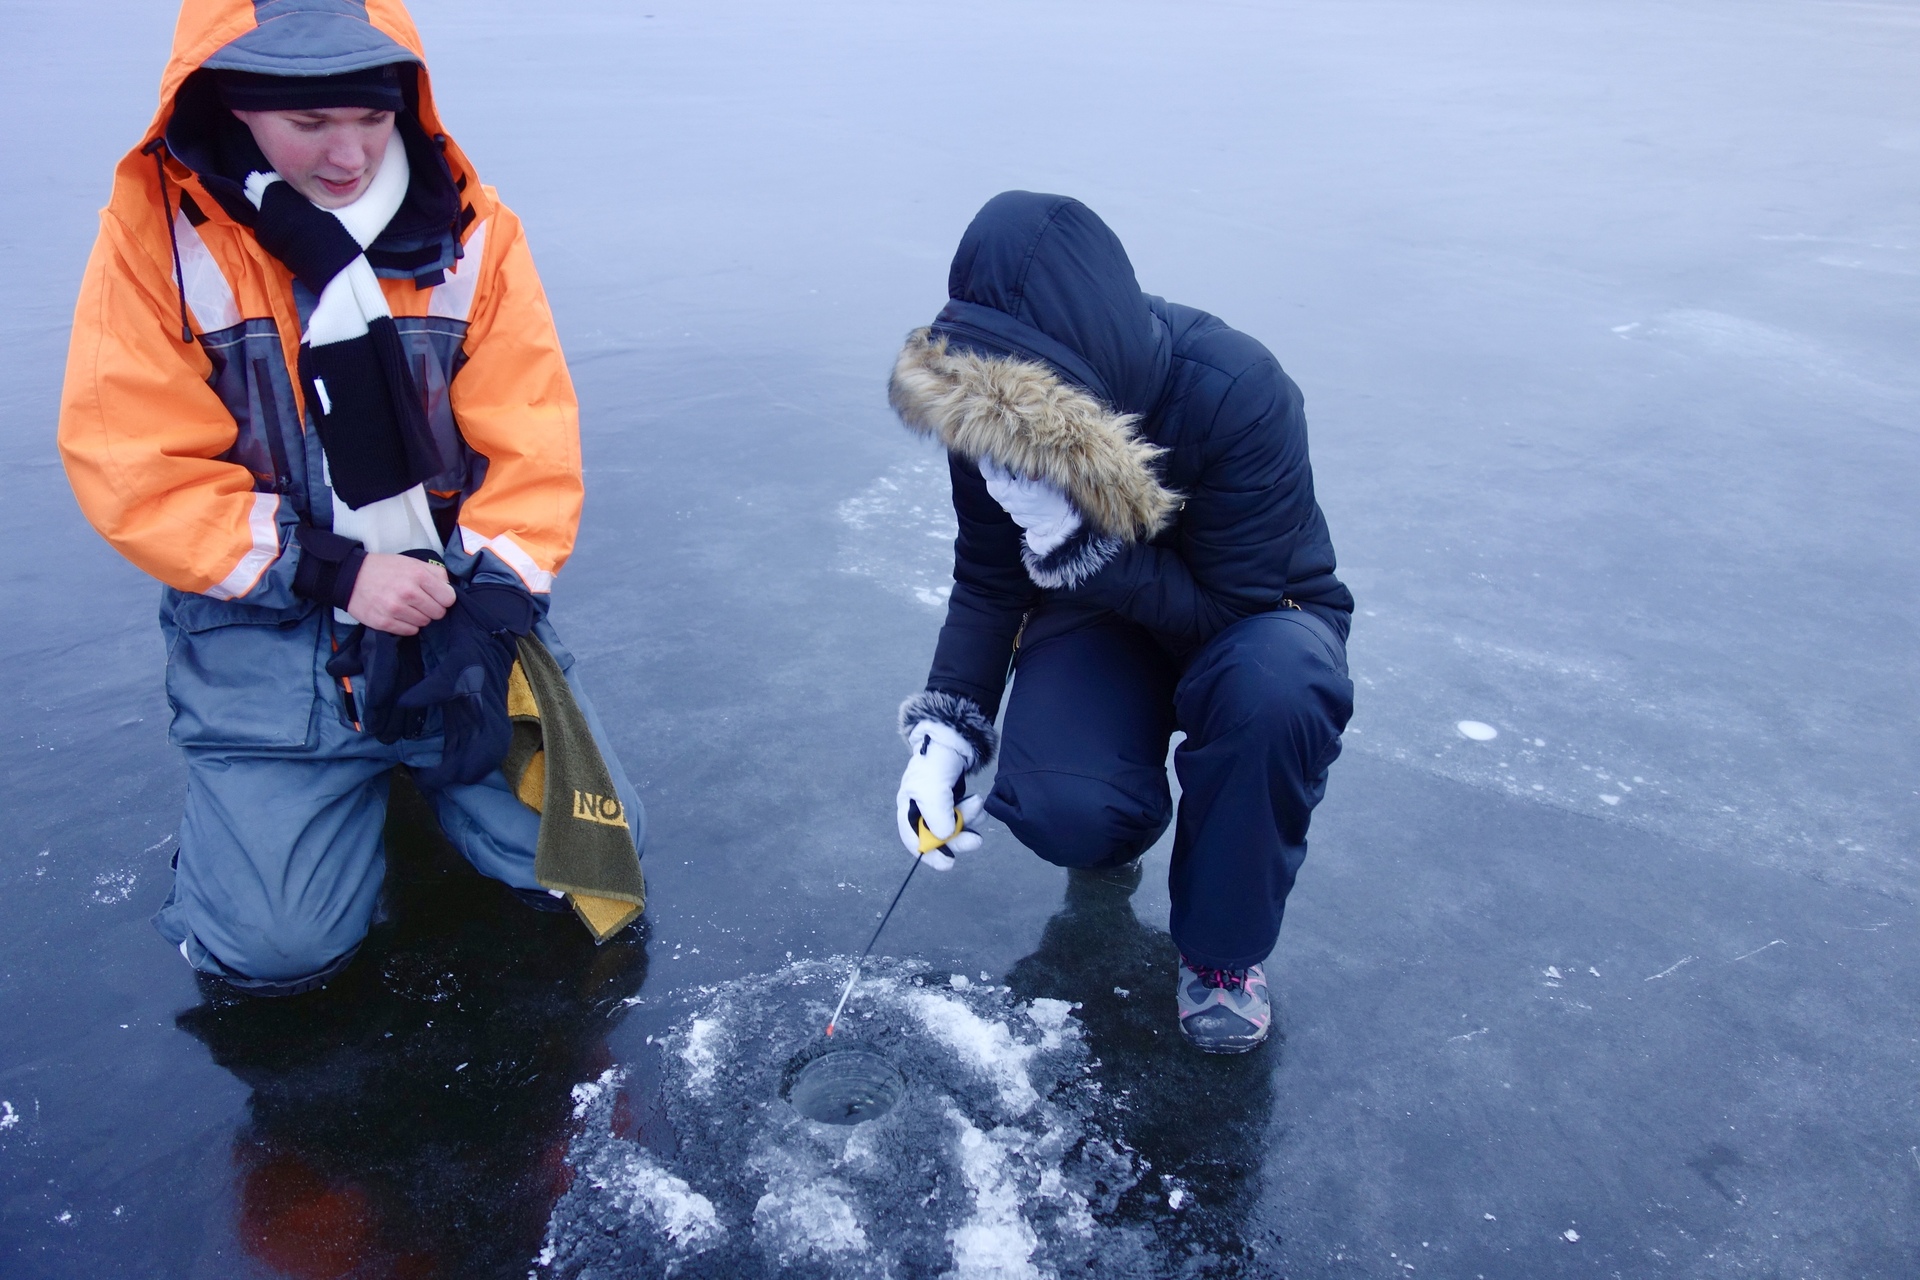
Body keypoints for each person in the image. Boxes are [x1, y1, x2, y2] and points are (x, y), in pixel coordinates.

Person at [58, 0, 644, 996]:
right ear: (236, 108)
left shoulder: (473, 231)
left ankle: (415, 766)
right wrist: (331, 572)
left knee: (592, 878)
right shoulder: (155, 241)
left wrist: (493, 609)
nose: (349, 154)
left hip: (453, 613)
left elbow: (534, 441)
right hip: (271, 631)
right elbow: (138, 465)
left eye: (371, 119)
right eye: (311, 124)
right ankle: (271, 822)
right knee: (276, 955)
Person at [888, 191, 1354, 1053]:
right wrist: (946, 734)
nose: (1003, 427)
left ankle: (1220, 956)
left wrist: (1073, 539)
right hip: (1095, 612)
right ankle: (1115, 820)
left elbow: (1225, 608)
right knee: (1064, 808)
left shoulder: (1239, 390)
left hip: (1259, 622)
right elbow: (991, 580)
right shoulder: (984, 409)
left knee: (1274, 694)